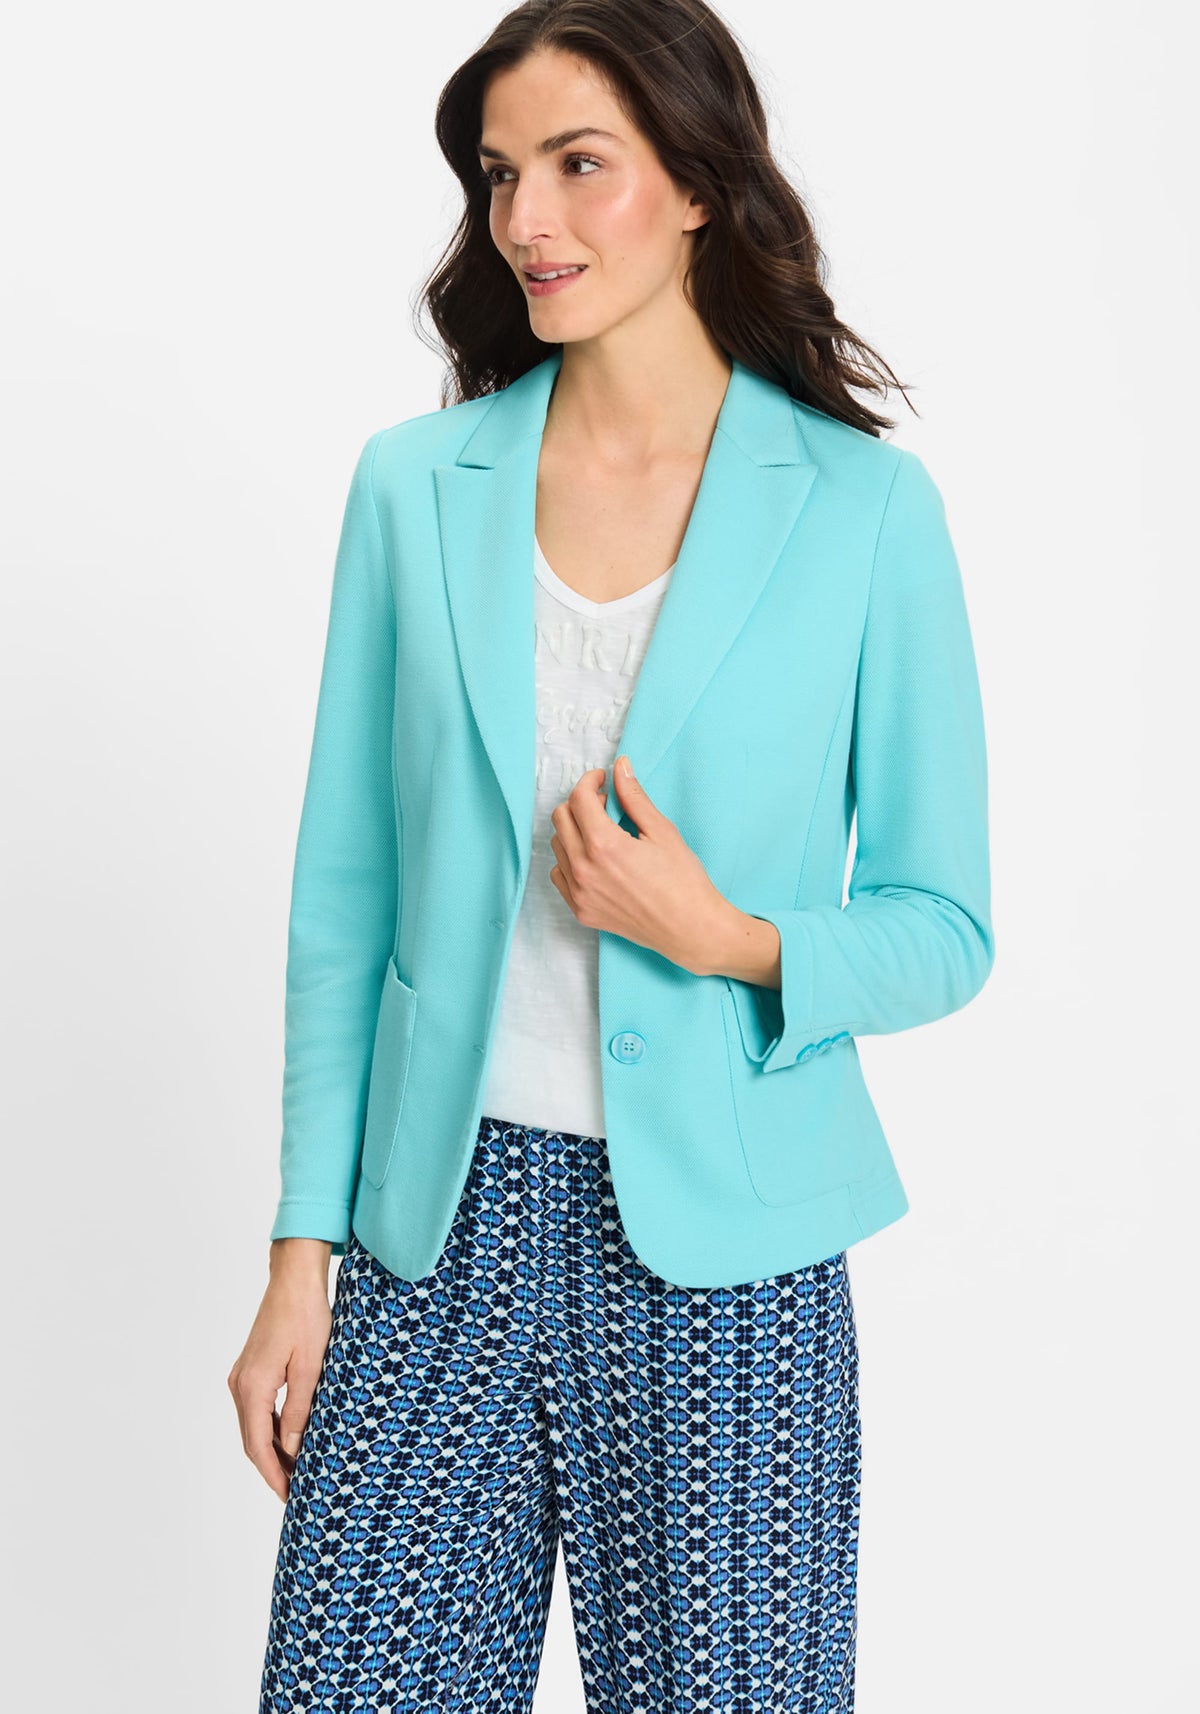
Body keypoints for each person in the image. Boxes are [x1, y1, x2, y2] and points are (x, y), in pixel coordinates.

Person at [229, 2, 995, 1708]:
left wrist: (727, 935)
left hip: (730, 1254)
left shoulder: (865, 512)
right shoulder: (413, 488)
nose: (529, 221)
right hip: (433, 1233)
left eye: (582, 166)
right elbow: (343, 903)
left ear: (701, 183)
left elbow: (945, 919)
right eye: (503, 175)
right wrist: (298, 1255)